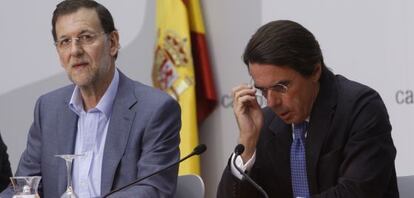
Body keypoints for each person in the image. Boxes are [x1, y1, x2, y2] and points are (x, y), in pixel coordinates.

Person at [0, 0, 181, 197]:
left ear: (112, 43)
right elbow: (24, 187)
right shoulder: (47, 109)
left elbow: (153, 190)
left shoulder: (155, 110)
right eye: (65, 42)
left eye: (85, 37)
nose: (75, 51)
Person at [217, 20, 399, 197]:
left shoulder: (360, 108)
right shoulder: (265, 123)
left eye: (281, 87)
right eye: (263, 90)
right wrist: (247, 142)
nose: (271, 102)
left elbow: (357, 192)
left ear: (315, 71)